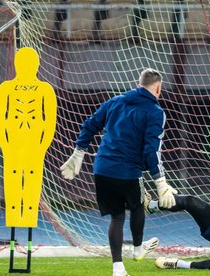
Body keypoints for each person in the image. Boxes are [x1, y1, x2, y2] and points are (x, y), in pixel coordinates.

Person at [60, 68, 178, 276]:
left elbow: (89, 125)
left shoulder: (116, 101)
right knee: (138, 206)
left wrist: (79, 152)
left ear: (139, 84)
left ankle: (118, 269)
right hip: (128, 171)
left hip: (102, 169)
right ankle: (138, 250)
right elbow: (152, 151)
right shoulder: (155, 112)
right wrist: (161, 182)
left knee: (116, 217)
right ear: (158, 87)